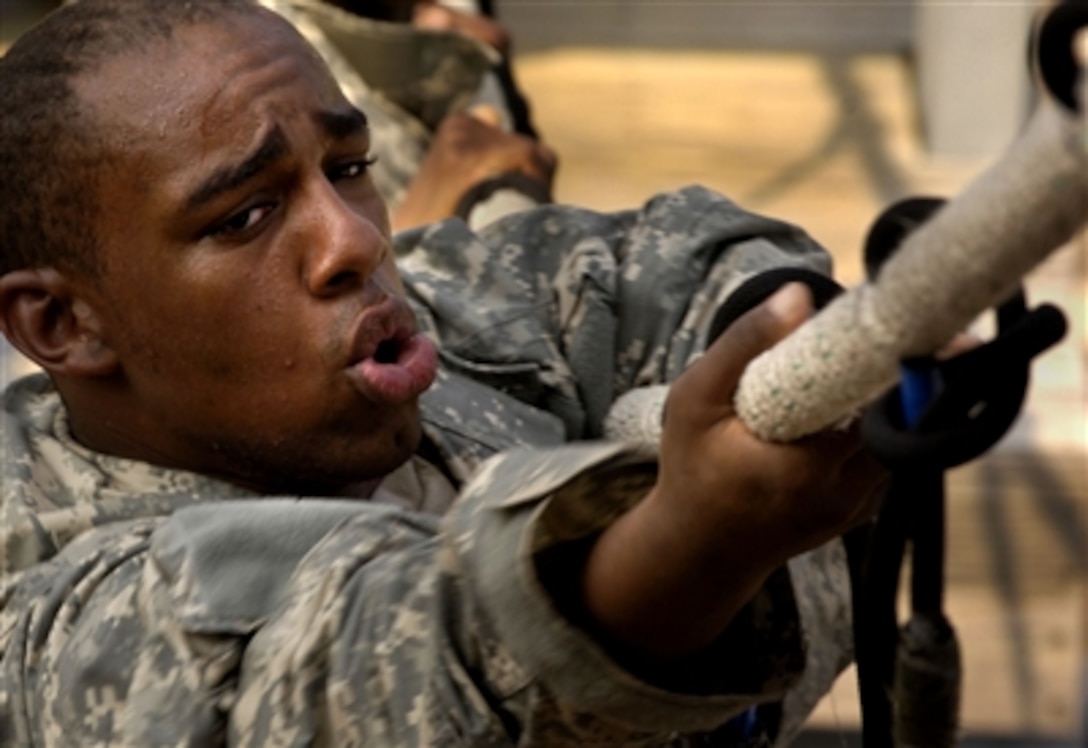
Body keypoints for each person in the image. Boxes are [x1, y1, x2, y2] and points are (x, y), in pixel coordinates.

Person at [0, 1, 885, 745]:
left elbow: (647, 264)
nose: (356, 240)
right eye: (246, 216)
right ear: (64, 323)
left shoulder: (395, 325)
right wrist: (693, 543)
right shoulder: (53, 615)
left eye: (349, 170)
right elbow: (343, 674)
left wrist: (791, 338)